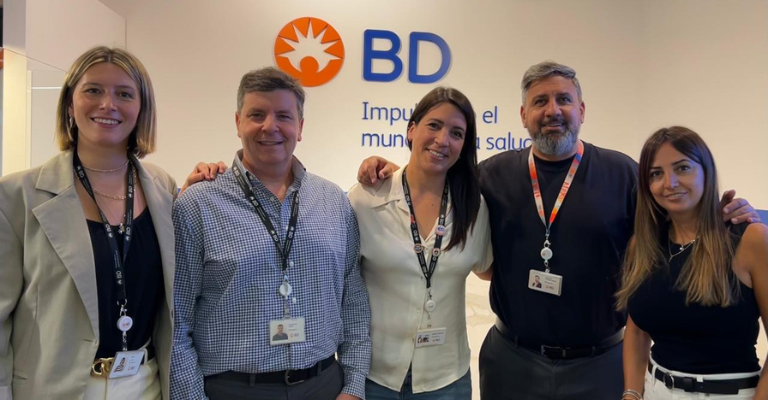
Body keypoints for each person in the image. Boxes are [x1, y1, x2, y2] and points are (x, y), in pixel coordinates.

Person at [357, 61, 759, 400]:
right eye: (540, 101)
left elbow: (675, 219)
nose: (553, 110)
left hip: (600, 365)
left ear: (581, 110)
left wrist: (725, 213)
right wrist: (389, 170)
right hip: (512, 362)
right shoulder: (491, 175)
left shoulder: (623, 174)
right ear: (523, 115)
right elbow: (437, 185)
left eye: (563, 99)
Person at [170, 67, 371, 400]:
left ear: (300, 127)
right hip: (233, 390)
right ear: (238, 123)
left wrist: (353, 386)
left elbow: (353, 300)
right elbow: (176, 320)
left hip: (324, 384)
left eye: (283, 116)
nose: (270, 126)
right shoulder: (198, 204)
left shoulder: (334, 201)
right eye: (257, 115)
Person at [0, 46, 178, 400]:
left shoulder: (163, 188)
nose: (108, 104)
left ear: (141, 108)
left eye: (124, 94)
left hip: (147, 384)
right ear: (69, 104)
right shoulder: (16, 196)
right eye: (93, 90)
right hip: (53, 389)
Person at [348, 87, 492, 399]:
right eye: (434, 125)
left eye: (456, 133)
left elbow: (487, 269)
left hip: (446, 379)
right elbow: (340, 283)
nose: (443, 140)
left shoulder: (474, 208)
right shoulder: (366, 199)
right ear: (411, 130)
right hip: (374, 375)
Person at [617, 126, 768, 400]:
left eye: (682, 168)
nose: (670, 183)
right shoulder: (642, 246)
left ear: (706, 171)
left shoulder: (751, 240)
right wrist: (631, 393)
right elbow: (637, 331)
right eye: (656, 174)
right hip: (655, 390)